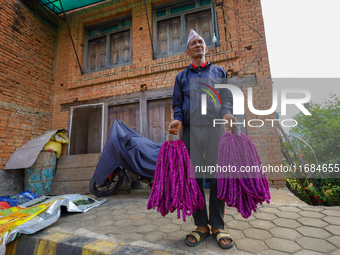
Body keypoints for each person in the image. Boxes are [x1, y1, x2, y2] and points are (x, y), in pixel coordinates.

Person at [168, 30, 238, 249]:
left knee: (218, 176)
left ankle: (217, 225)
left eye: (201, 42)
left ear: (206, 48)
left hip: (215, 129)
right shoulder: (182, 77)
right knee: (195, 178)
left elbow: (226, 98)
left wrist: (227, 114)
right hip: (191, 130)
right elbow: (177, 103)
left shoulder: (219, 72)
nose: (197, 45)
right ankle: (201, 226)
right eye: (193, 43)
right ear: (187, 51)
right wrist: (178, 120)